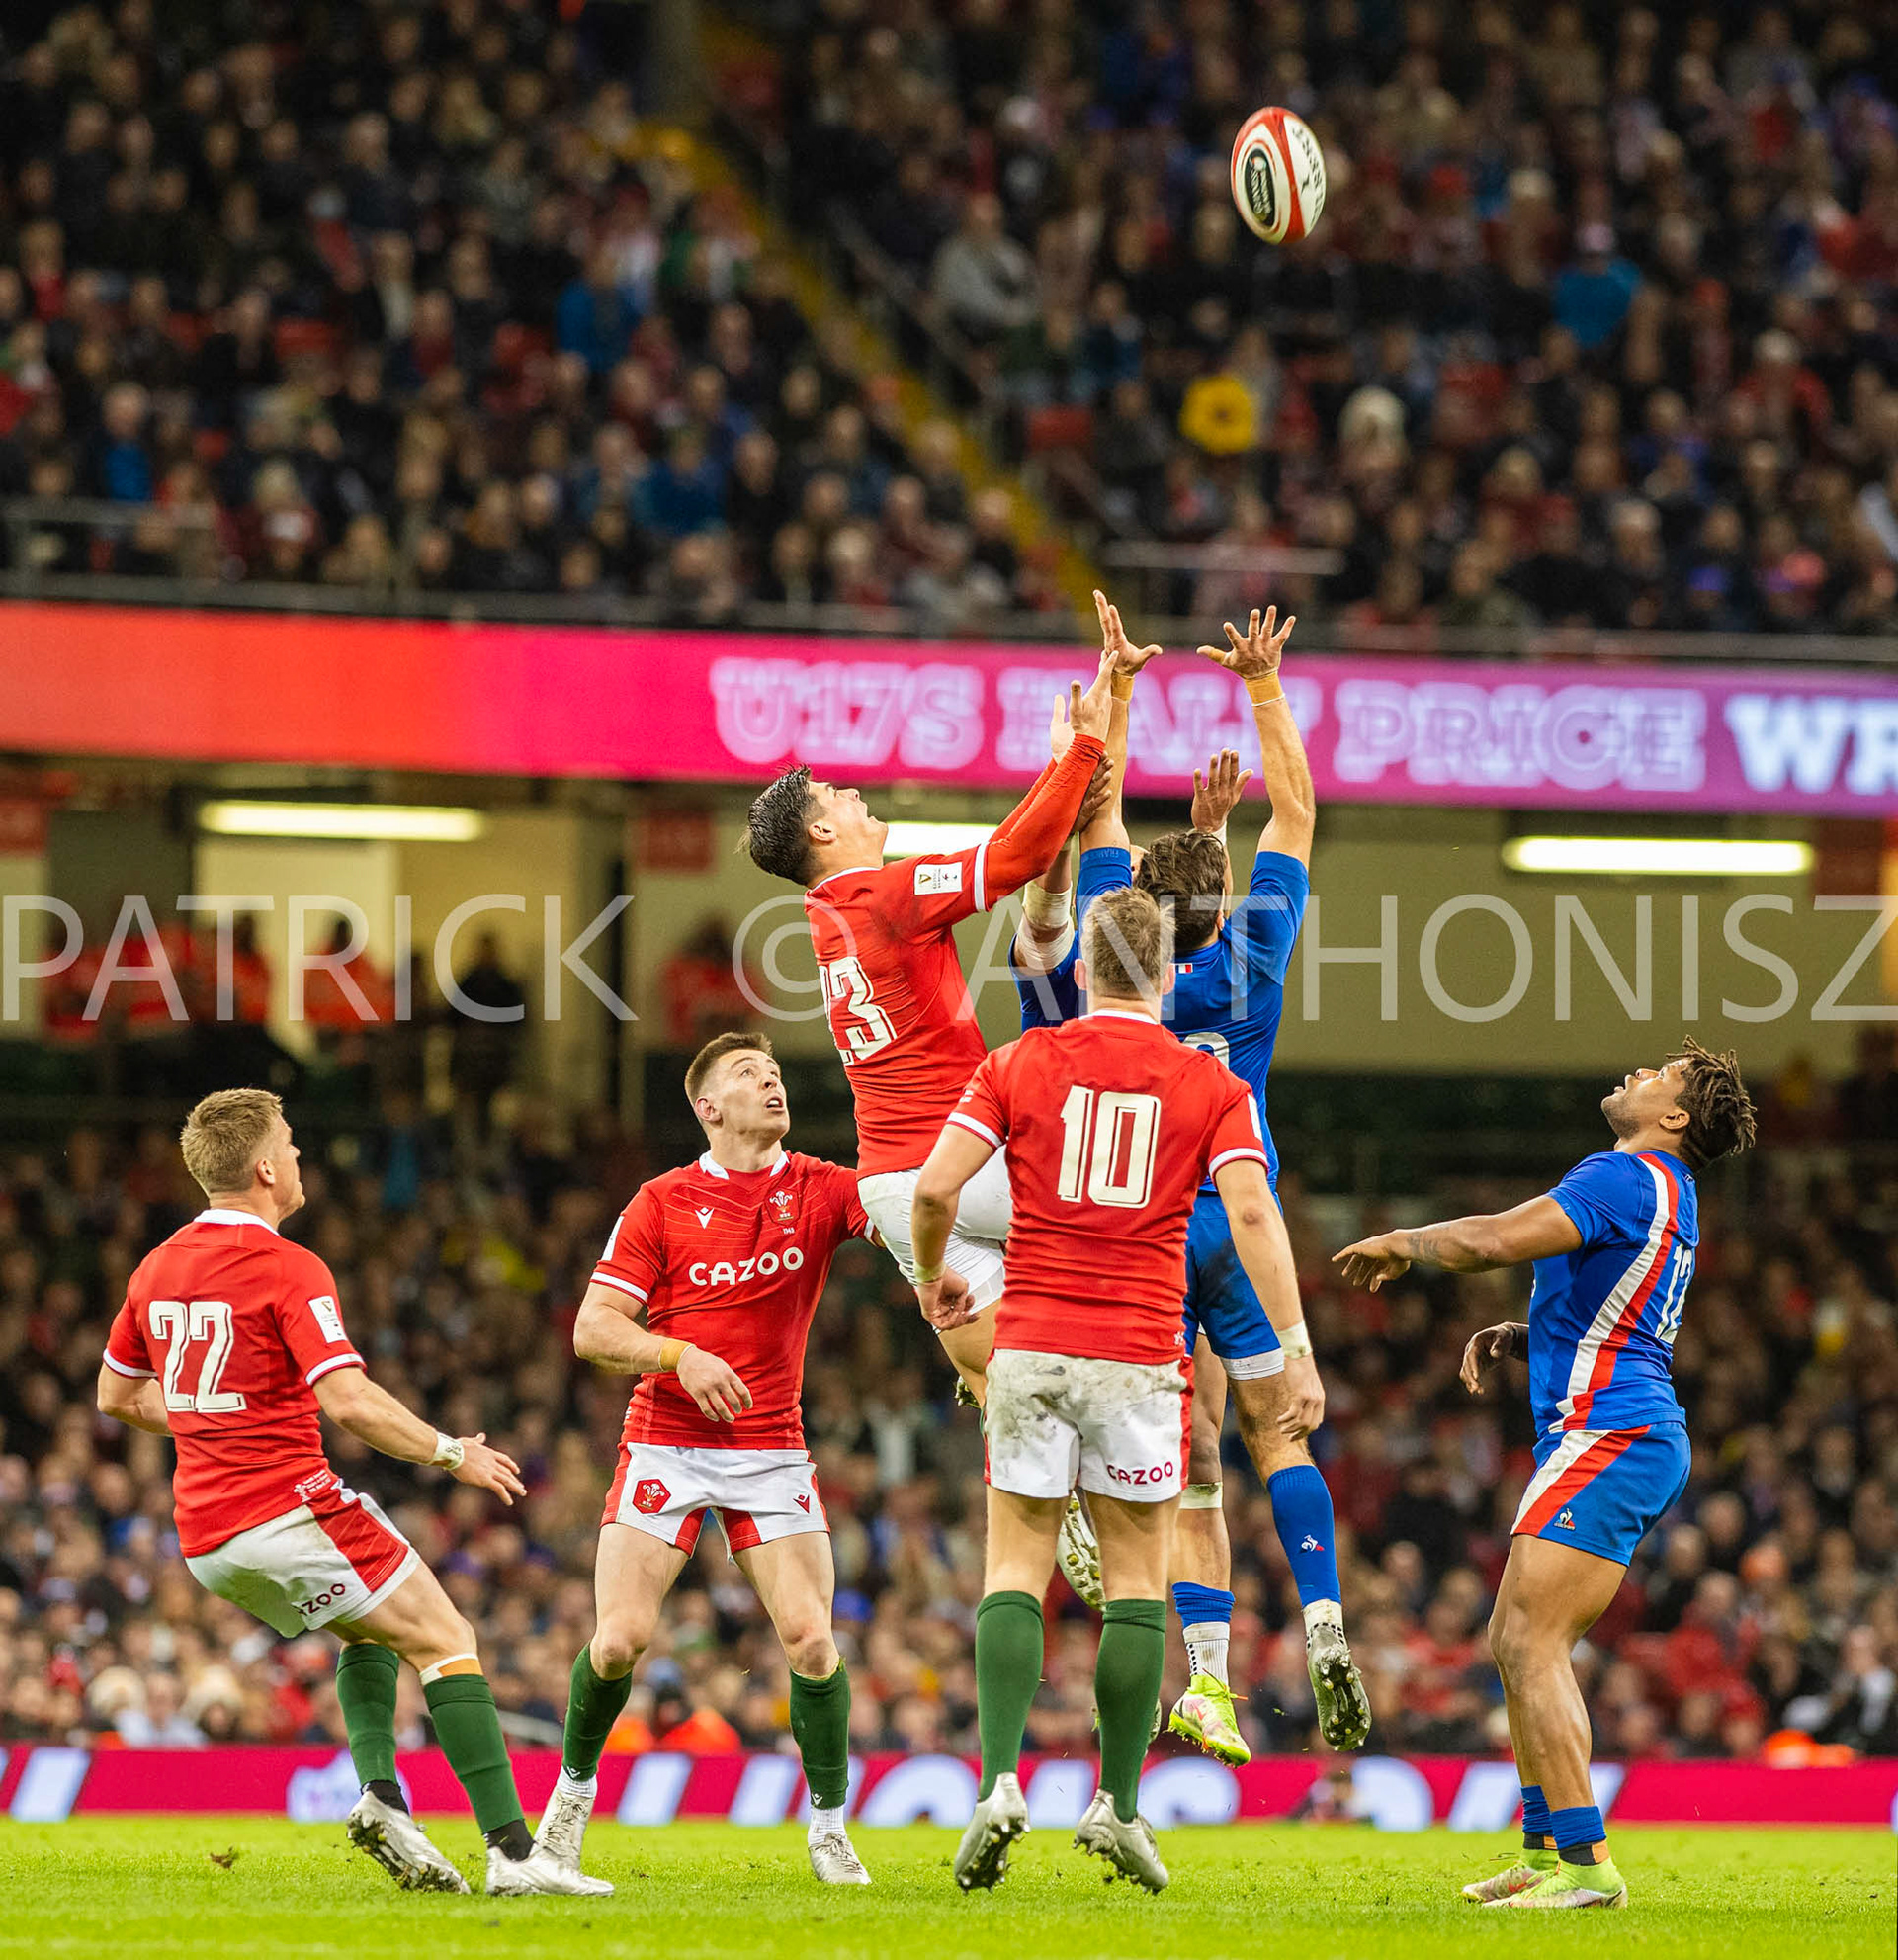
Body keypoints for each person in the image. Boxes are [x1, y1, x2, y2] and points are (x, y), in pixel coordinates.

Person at [95, 1088, 603, 1899]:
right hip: (284, 1505)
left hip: (207, 1539)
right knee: (446, 1636)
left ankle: (381, 1797)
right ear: (265, 1167)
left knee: (366, 1633)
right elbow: (352, 1401)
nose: (298, 1157)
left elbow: (118, 1396)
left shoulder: (156, 1266)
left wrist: (209, 1427)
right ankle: (515, 1854)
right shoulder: (287, 1265)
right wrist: (450, 1453)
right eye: (291, 1144)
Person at [910, 886, 1315, 1894]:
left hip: (1032, 1344)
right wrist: (1296, 1344)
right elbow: (1255, 1217)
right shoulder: (1206, 1083)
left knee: (1016, 1566)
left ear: (1085, 971)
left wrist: (934, 1280)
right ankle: (1118, 1809)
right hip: (1140, 1356)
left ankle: (1000, 1784)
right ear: (1174, 975)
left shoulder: (1019, 1062)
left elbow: (931, 1189)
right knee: (1137, 1581)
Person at [1027, 601, 1370, 1758]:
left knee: (1181, 1463)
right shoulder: (1257, 954)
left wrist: (1116, 689)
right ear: (1220, 902)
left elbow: (1100, 807)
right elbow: (1302, 809)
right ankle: (1322, 1623)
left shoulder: (1113, 953)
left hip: (1137, 1222)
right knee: (1278, 1435)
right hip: (1235, 1202)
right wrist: (1265, 684)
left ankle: (1206, 1676)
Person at [535, 1032, 969, 1888]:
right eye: (747, 1075)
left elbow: (908, 1202)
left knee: (812, 1642)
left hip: (770, 1448)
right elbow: (592, 1329)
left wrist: (932, 1270)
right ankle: (566, 1812)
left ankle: (831, 1827)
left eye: (772, 1072)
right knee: (619, 1641)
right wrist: (677, 1356)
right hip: (666, 1437)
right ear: (708, 1106)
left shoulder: (819, 1186)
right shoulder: (662, 1200)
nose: (769, 1082)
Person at [1335, 1042, 1758, 1910]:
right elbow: (1628, 1318)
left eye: (1660, 1075)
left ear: (1674, 1116)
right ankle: (1544, 1849)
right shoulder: (1675, 1196)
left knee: (1533, 1644)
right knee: (1513, 1640)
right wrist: (1531, 1339)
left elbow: (1491, 1240)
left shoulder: (1622, 1175)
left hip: (1613, 1431)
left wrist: (1404, 1240)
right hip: (1619, 1425)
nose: (1639, 1073)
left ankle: (1587, 1866)